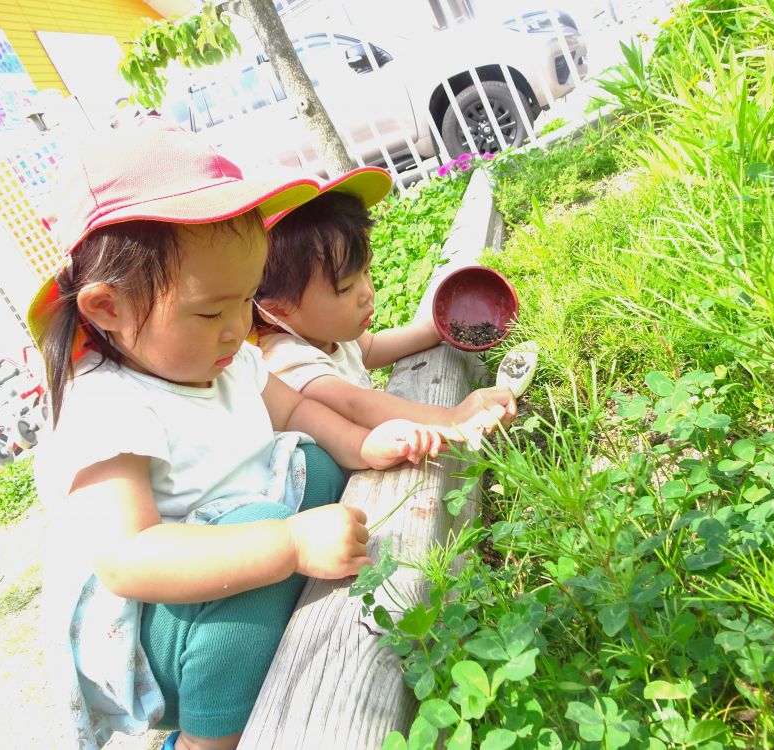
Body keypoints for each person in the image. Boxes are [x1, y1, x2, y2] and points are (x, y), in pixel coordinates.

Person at [30, 121, 454, 750]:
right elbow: (129, 559)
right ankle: (208, 741)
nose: (237, 328)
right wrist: (286, 543)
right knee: (258, 522)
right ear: (107, 309)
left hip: (238, 557)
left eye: (246, 299)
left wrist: (358, 446)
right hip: (164, 632)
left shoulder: (227, 357)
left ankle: (278, 586)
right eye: (209, 310)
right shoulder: (104, 406)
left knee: (314, 460)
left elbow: (298, 414)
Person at [254, 167, 528, 443]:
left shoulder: (326, 333)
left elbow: (372, 347)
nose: (367, 292)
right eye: (345, 287)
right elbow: (353, 404)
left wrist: (436, 329)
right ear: (278, 309)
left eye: (366, 271)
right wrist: (450, 419)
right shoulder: (285, 360)